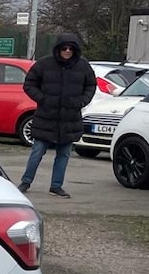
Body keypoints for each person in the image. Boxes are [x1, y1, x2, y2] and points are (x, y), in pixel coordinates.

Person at [19, 31, 97, 198]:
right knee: (37, 152)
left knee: (64, 155)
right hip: (46, 118)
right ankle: (25, 182)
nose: (67, 51)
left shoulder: (83, 65)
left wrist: (82, 101)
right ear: (58, 49)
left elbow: (91, 85)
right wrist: (43, 99)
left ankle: (56, 186)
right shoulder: (44, 64)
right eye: (64, 48)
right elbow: (29, 84)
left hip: (69, 120)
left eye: (71, 48)